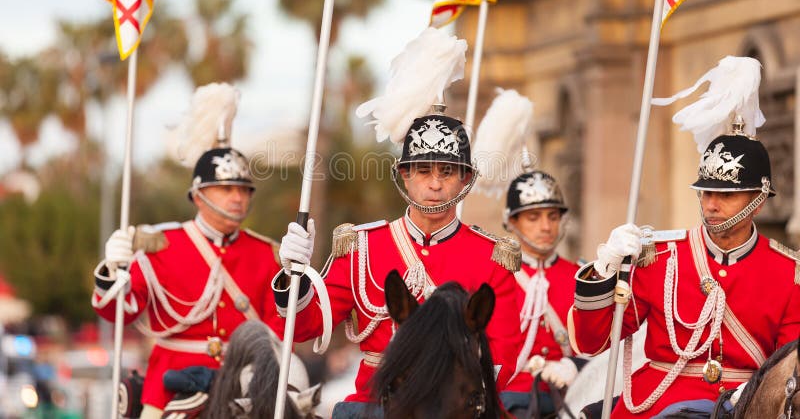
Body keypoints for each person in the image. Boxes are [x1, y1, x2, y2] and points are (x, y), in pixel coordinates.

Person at [275, 108, 525, 418]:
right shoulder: (360, 247)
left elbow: (503, 358)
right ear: (404, 175)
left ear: (466, 179)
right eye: (422, 171)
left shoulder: (492, 257)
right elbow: (303, 328)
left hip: (454, 407)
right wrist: (292, 276)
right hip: (374, 404)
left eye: (446, 172)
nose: (434, 185)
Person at [569, 117, 800, 417]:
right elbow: (591, 342)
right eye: (705, 192)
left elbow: (789, 371)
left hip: (744, 403)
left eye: (726, 195)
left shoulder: (788, 273)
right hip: (658, 399)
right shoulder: (661, 257)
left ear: (758, 201)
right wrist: (604, 271)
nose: (711, 205)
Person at [92, 121, 284, 416]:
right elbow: (122, 311)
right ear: (198, 195)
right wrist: (112, 273)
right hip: (171, 386)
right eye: (226, 188)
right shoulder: (162, 244)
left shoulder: (266, 253)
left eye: (244, 190)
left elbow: (279, 332)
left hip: (245, 385)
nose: (237, 198)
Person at [498, 169, 587, 417]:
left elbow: (600, 346)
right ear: (512, 222)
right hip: (508, 399)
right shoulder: (496, 275)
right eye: (534, 217)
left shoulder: (583, 276)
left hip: (572, 396)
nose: (546, 227)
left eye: (553, 216)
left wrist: (574, 365)